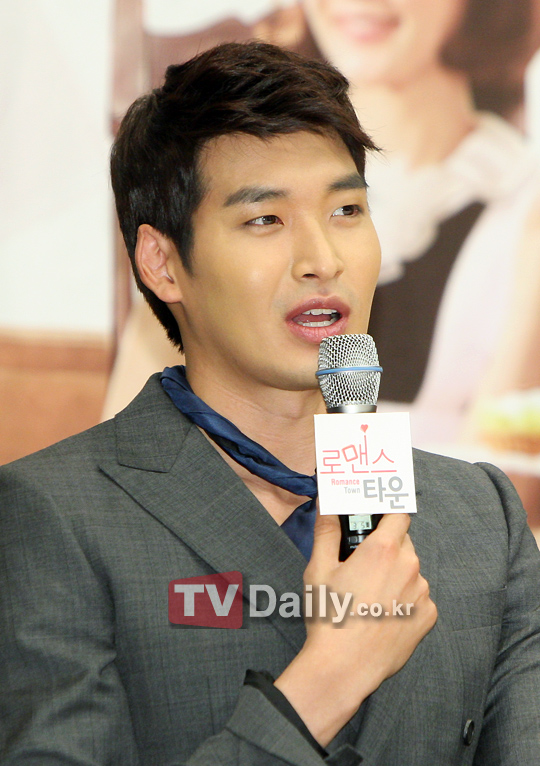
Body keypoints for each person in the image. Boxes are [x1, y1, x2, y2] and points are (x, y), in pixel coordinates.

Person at [1, 41, 540, 765]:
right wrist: (326, 683)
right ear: (163, 263)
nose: (323, 258)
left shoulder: (480, 515)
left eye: (347, 209)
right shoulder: (54, 516)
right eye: (265, 220)